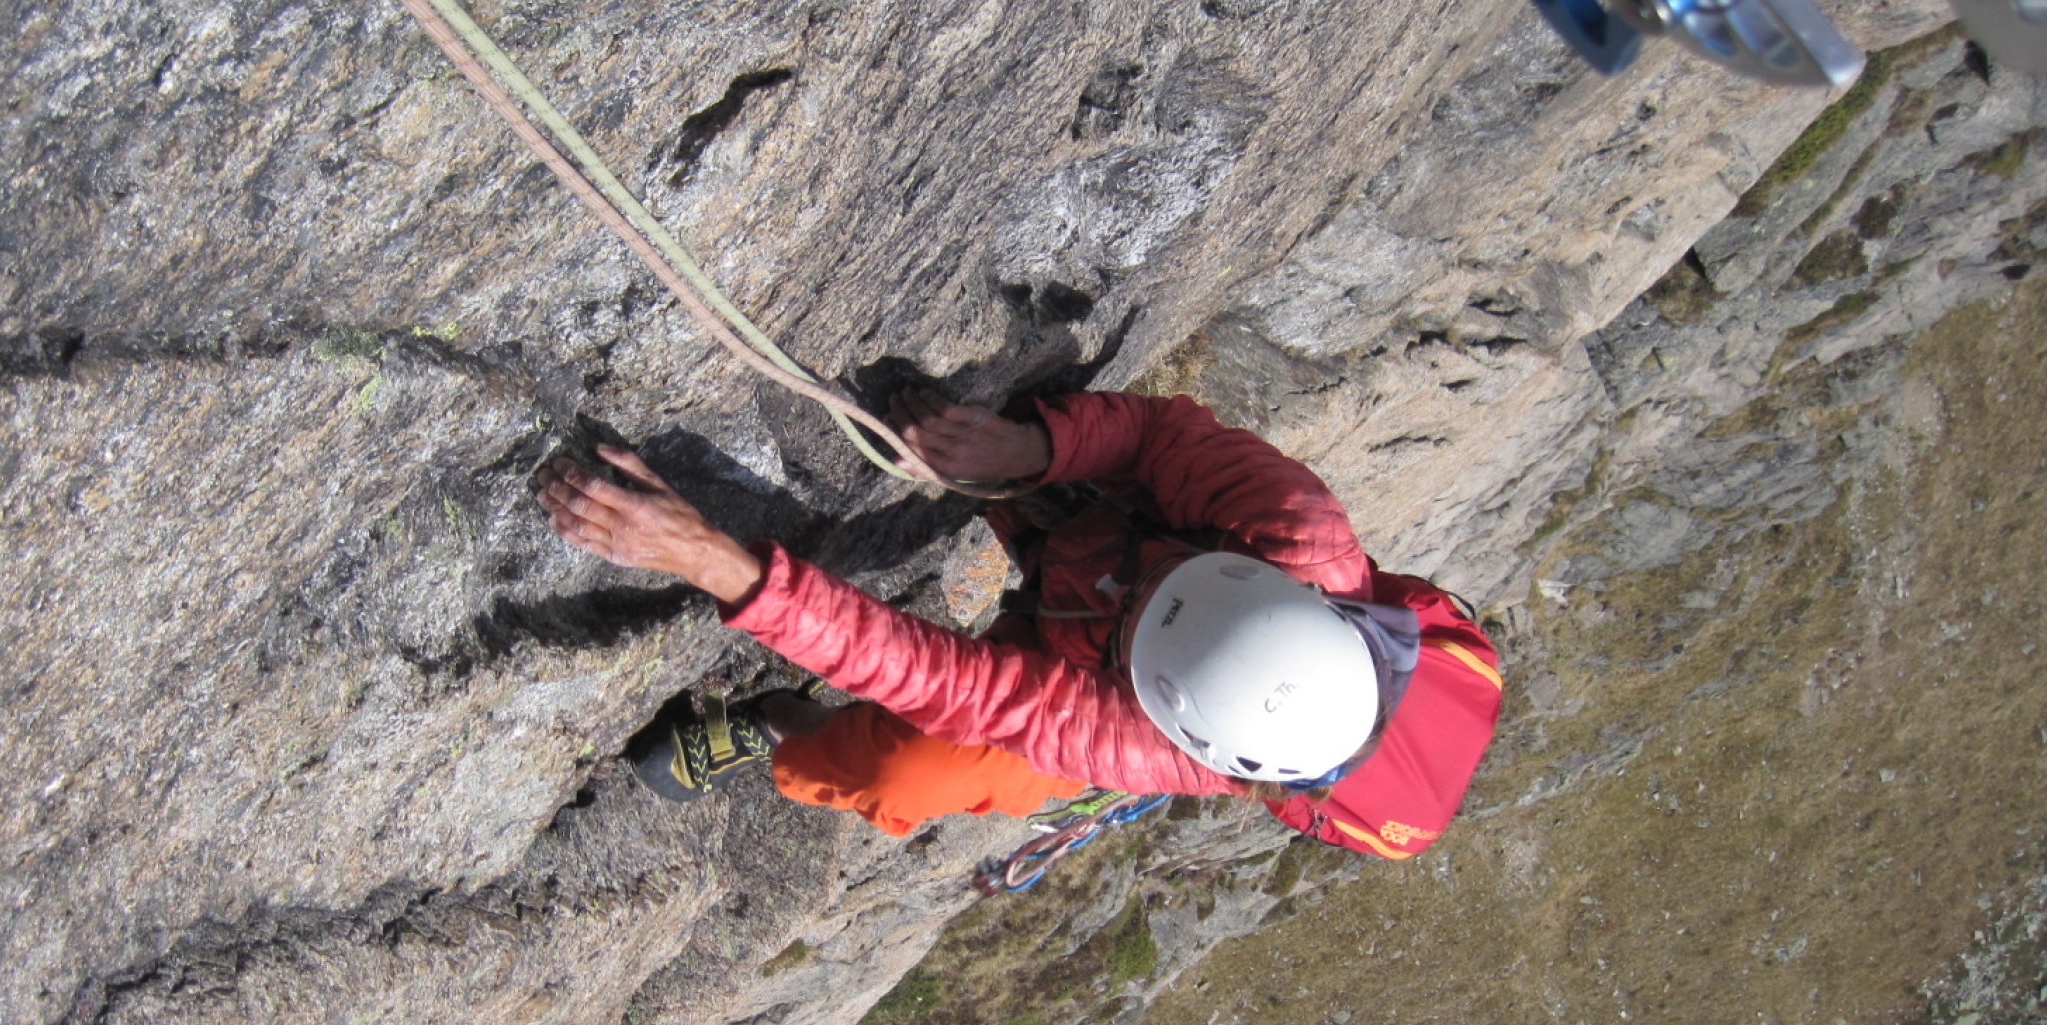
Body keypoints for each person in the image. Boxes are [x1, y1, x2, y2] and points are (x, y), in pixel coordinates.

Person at [535, 388, 1503, 860]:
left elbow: (944, 684)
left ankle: (777, 723)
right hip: (1106, 533)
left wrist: (709, 557)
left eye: (1138, 635)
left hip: (1080, 671)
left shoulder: (1146, 744)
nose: (1135, 604)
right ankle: (1041, 510)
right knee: (953, 436)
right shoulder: (1300, 530)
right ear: (1278, 586)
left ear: (1168, 711)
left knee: (903, 775)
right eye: (1165, 593)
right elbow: (1162, 436)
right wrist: (1038, 447)